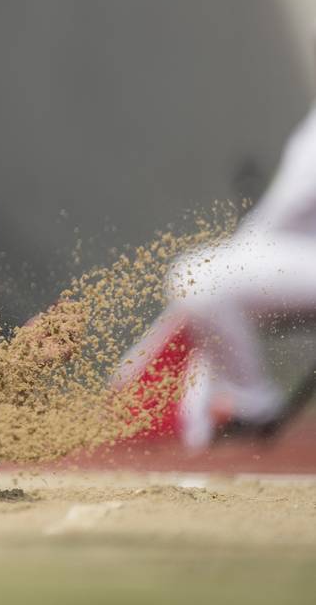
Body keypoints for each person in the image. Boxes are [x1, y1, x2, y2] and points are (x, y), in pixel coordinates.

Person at [119, 99, 316, 450]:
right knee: (204, 280)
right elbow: (281, 218)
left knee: (203, 278)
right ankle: (199, 420)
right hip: (294, 252)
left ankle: (250, 404)